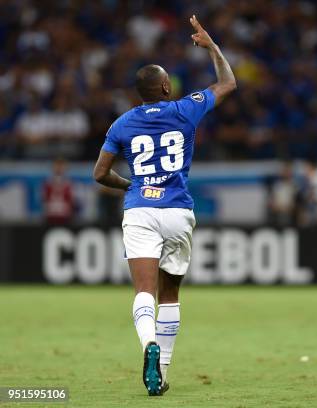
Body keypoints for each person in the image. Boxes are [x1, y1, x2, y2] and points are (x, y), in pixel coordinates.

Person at [92, 15, 236, 397]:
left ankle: (148, 346)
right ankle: (164, 370)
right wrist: (212, 47)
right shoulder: (185, 109)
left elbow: (100, 173)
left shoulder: (122, 124)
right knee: (170, 294)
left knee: (143, 291)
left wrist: (131, 186)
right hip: (177, 211)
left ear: (141, 93)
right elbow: (227, 84)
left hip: (140, 209)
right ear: (166, 87)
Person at [42, 158, 76, 225]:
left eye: (61, 166)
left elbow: (71, 201)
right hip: (50, 217)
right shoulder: (47, 184)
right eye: (57, 166)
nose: (59, 168)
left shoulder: (69, 184)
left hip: (65, 218)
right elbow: (44, 200)